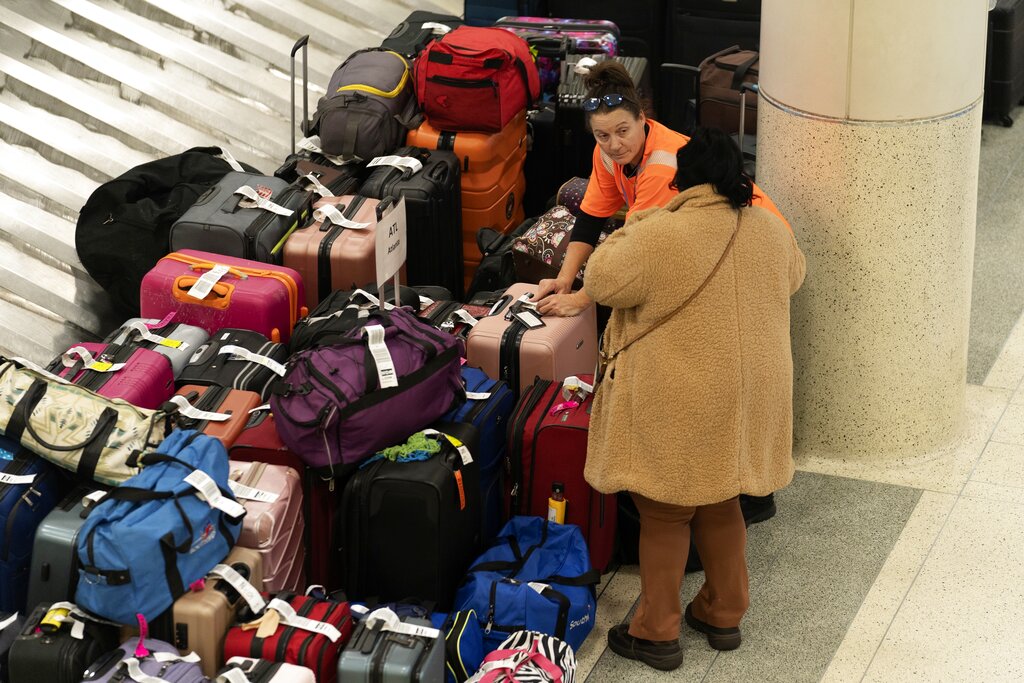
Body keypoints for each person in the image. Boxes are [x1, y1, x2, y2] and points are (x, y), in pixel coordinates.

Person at [582, 127, 806, 671]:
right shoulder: (770, 231)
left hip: (683, 390)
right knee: (721, 498)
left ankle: (656, 630)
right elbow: (794, 276)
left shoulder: (663, 233)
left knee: (666, 510)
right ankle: (724, 611)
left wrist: (638, 221)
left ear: (684, 180)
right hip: (752, 390)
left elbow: (602, 281)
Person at [533, 60, 786, 318]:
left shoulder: (662, 164)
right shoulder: (606, 153)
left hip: (757, 249)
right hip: (706, 238)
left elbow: (635, 251)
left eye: (623, 131)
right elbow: (591, 218)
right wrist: (564, 280)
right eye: (603, 135)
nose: (615, 144)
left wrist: (579, 301)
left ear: (642, 118)